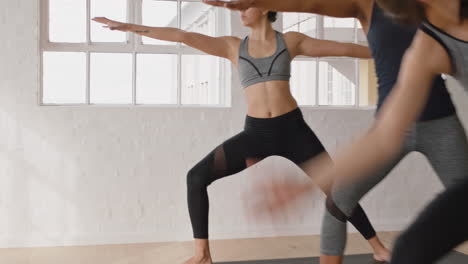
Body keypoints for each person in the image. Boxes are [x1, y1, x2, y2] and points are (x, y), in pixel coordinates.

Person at [93, 7, 378, 264]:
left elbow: (345, 48)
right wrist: (129, 27)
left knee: (338, 189)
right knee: (196, 178)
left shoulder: (290, 41)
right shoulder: (232, 46)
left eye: (247, 4)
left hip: (294, 132)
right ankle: (202, 254)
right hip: (256, 135)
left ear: (266, 7)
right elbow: (182, 35)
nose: (240, 10)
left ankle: (377, 246)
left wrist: (393, 50)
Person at [203, 1, 468, 263]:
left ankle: (377, 245)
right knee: (407, 248)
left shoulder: (436, 36)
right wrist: (305, 185)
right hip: (268, 129)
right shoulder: (426, 47)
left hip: (441, 125)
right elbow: (388, 133)